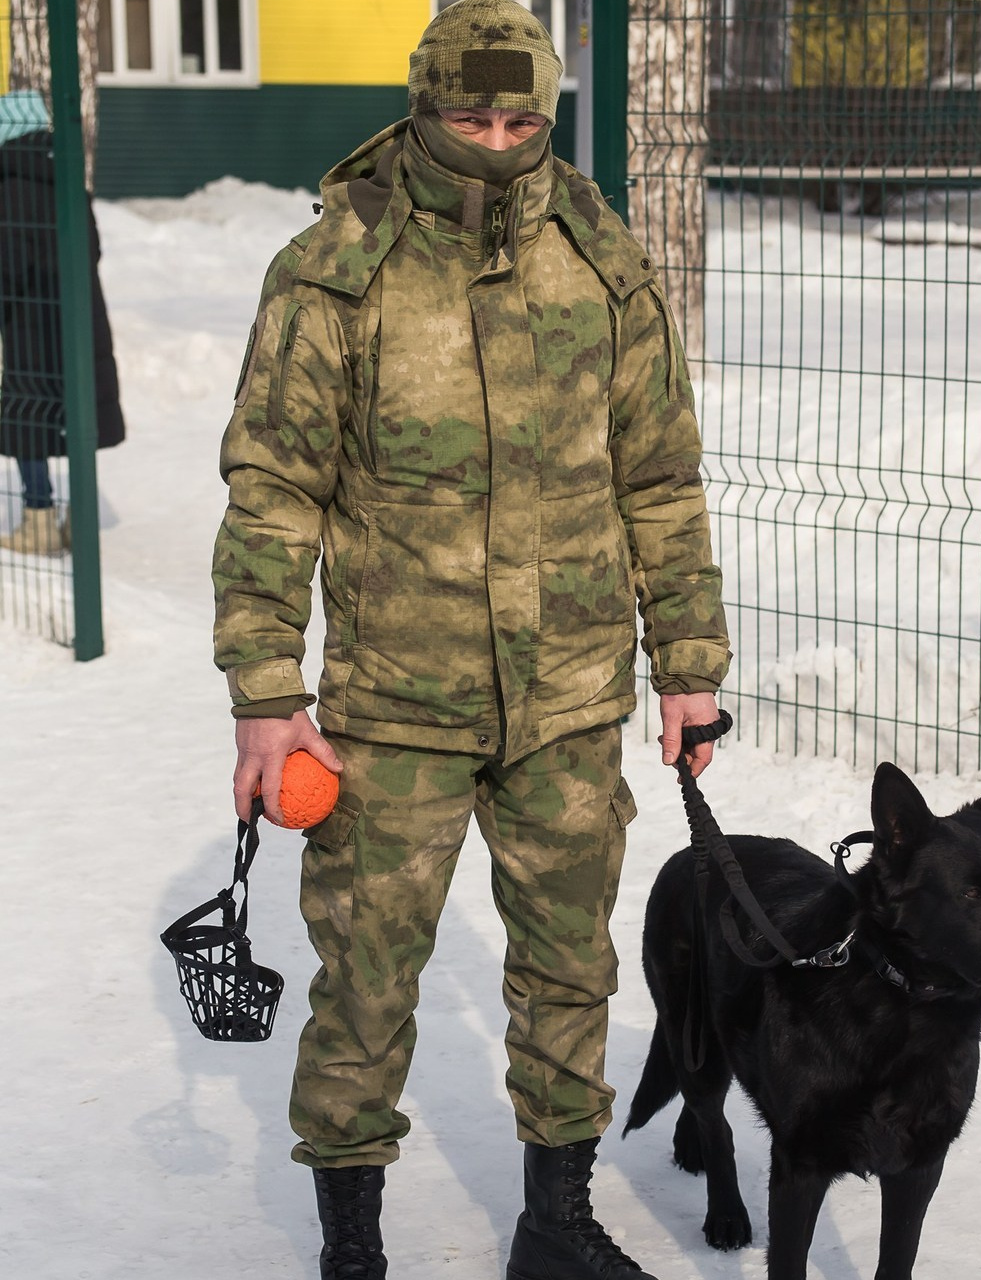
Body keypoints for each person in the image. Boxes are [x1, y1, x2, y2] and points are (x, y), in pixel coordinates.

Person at [210, 4, 731, 1278]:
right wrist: (265, 690)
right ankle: (351, 1249)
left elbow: (658, 477)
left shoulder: (602, 260)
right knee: (366, 980)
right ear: (422, 106)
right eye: (468, 116)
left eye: (517, 119)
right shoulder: (336, 269)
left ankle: (556, 1223)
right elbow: (274, 488)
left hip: (567, 696)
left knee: (570, 970)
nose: (495, 141)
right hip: (395, 704)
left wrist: (687, 663)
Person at [0, 88, 125, 555]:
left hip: (29, 327)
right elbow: (93, 250)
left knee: (27, 418)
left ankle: (38, 519)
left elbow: (9, 269)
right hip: (80, 320)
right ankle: (78, 519)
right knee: (78, 414)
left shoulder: (10, 188)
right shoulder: (70, 180)